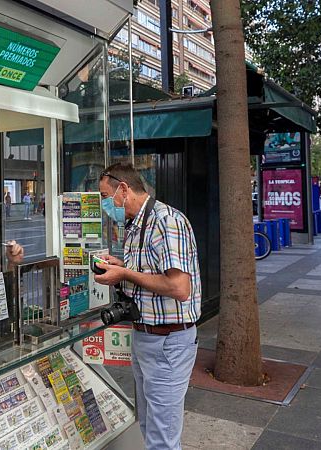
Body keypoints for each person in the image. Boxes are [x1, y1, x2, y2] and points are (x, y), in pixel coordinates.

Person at [92, 163, 201, 450]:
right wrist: (122, 266)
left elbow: (179, 287)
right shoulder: (137, 224)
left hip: (168, 342)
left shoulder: (166, 221)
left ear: (123, 189)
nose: (105, 203)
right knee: (149, 425)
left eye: (105, 195)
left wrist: (126, 274)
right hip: (146, 337)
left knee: (162, 437)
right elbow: (153, 271)